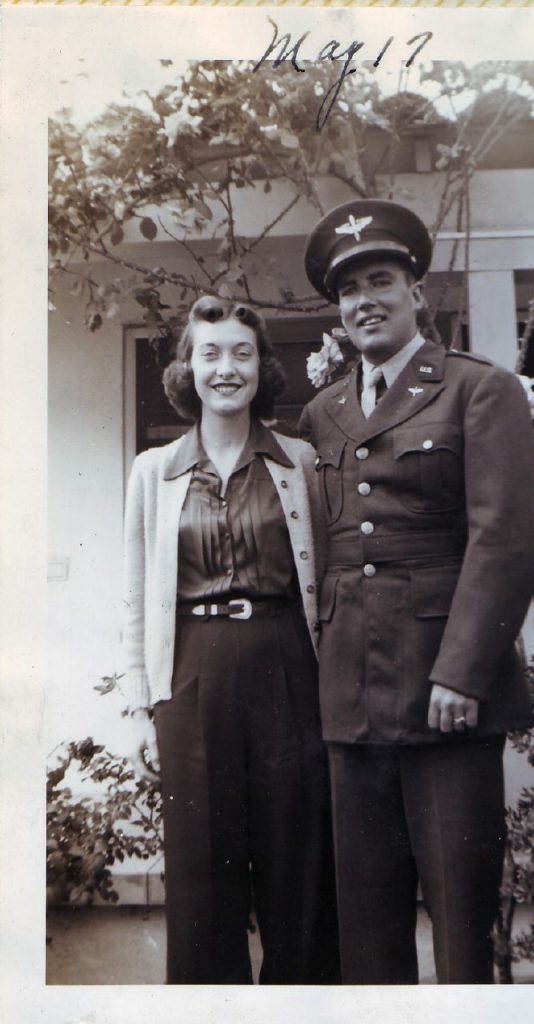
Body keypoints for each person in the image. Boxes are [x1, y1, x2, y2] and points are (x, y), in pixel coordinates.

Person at [299, 199, 534, 985]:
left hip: (446, 698)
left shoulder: (478, 390)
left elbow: (502, 541)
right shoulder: (323, 412)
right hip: (352, 699)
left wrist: (459, 673)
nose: (365, 300)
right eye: (349, 291)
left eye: (380, 280)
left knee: (460, 925)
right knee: (367, 930)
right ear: (338, 312)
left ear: (414, 294)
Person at [122, 296, 339, 985]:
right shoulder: (152, 472)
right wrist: (142, 696)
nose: (226, 368)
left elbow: (327, 576)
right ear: (188, 369)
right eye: (209, 353)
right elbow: (135, 593)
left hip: (286, 664)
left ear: (261, 367)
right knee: (201, 873)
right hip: (191, 675)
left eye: (241, 353)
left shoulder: (299, 462)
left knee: (298, 863)